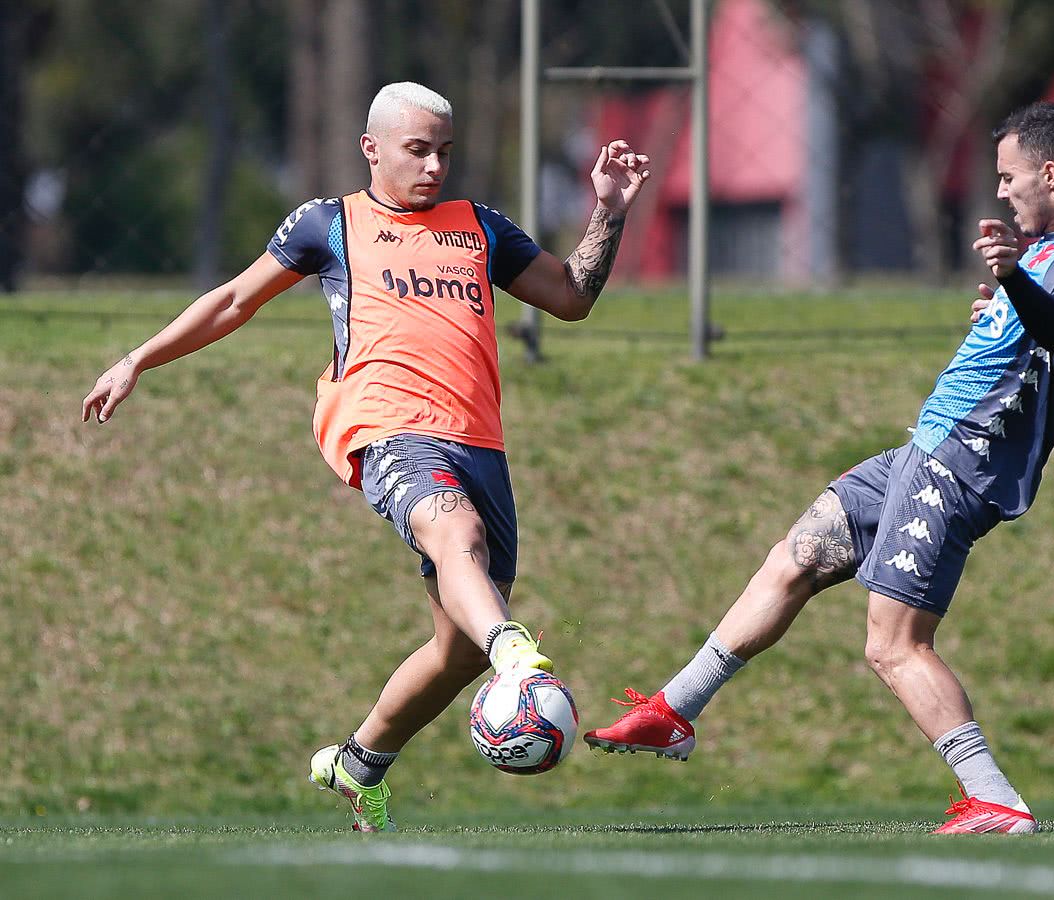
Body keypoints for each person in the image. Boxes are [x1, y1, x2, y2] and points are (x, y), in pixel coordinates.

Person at [81, 82, 650, 832]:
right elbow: (232, 301)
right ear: (371, 148)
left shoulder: (478, 226)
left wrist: (607, 209)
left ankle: (361, 762)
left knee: (456, 648)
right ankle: (514, 648)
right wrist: (137, 360)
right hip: (387, 428)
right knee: (457, 538)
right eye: (417, 150)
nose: (434, 167)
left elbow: (571, 298)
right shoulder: (329, 223)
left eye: (445, 151)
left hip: (479, 441)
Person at [584, 101, 1054, 834]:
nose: (1001, 192)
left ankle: (996, 799)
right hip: (926, 448)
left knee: (894, 644)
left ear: (1052, 172)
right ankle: (673, 712)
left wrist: (1018, 293)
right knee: (799, 554)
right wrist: (1011, 312)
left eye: (1009, 178)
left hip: (959, 461)